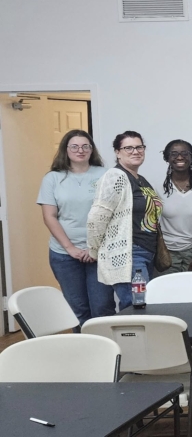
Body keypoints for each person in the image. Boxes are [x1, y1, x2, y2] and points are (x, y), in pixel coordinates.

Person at [38, 129, 112, 325]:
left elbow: (114, 216)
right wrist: (70, 248)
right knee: (78, 310)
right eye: (75, 146)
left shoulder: (106, 175)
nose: (81, 150)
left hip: (99, 252)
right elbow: (49, 216)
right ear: (66, 149)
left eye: (85, 146)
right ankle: (82, 344)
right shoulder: (52, 178)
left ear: (92, 150)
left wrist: (94, 248)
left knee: (102, 308)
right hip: (64, 255)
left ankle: (105, 345)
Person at [87, 131, 163, 311]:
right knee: (138, 306)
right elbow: (97, 218)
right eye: (128, 148)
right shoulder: (115, 177)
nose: (135, 151)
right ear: (117, 152)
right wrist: (95, 250)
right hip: (129, 253)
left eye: (139, 147)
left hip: (147, 252)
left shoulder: (140, 179)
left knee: (140, 306)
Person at [156, 139, 192, 276]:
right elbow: (153, 222)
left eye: (185, 153)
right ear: (167, 158)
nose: (180, 157)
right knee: (169, 289)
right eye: (174, 154)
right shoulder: (157, 188)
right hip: (167, 253)